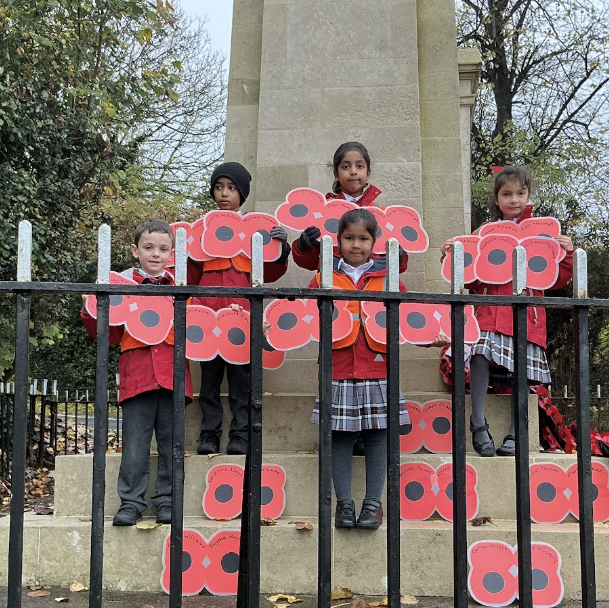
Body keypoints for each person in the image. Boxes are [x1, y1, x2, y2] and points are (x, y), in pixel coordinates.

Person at [440, 165, 575, 457]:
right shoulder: (483, 233)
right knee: (478, 354)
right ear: (496, 198)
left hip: (526, 316)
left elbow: (557, 279)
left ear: (528, 195)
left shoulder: (544, 234)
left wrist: (566, 253)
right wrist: (454, 254)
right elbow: (470, 278)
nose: (514, 199)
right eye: (507, 194)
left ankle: (516, 431)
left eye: (520, 193)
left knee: (521, 369)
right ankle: (478, 422)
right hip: (489, 311)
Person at [81, 219, 194, 526]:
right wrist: (90, 308)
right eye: (148, 247)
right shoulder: (121, 288)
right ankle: (131, 502)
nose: (155, 254)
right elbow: (108, 333)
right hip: (138, 376)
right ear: (135, 250)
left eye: (162, 249)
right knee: (134, 445)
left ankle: (168, 501)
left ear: (172, 254)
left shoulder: (183, 288)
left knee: (173, 444)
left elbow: (199, 329)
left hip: (173, 376)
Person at [310, 208, 411, 529]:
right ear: (338, 241)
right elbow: (304, 317)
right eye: (349, 238)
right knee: (338, 436)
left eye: (364, 238)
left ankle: (372, 504)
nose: (356, 245)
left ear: (374, 241)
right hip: (336, 367)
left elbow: (410, 319)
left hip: (379, 368)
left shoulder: (388, 277)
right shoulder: (323, 277)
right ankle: (344, 503)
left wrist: (433, 338)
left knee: (377, 436)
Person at [187, 162, 290, 455]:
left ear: (242, 194)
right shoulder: (202, 231)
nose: (224, 193)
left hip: (242, 320)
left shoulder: (255, 231)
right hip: (207, 320)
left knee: (241, 381)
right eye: (219, 187)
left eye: (231, 188)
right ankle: (209, 434)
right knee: (209, 382)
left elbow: (269, 274)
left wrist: (280, 250)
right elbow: (190, 277)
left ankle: (240, 435)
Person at [292, 142, 407, 273]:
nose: (353, 171)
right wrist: (304, 247)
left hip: (372, 285)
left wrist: (399, 256)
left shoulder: (380, 212)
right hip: (333, 283)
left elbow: (397, 267)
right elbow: (310, 263)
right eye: (346, 167)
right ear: (336, 173)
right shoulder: (322, 211)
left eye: (359, 166)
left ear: (368, 173)